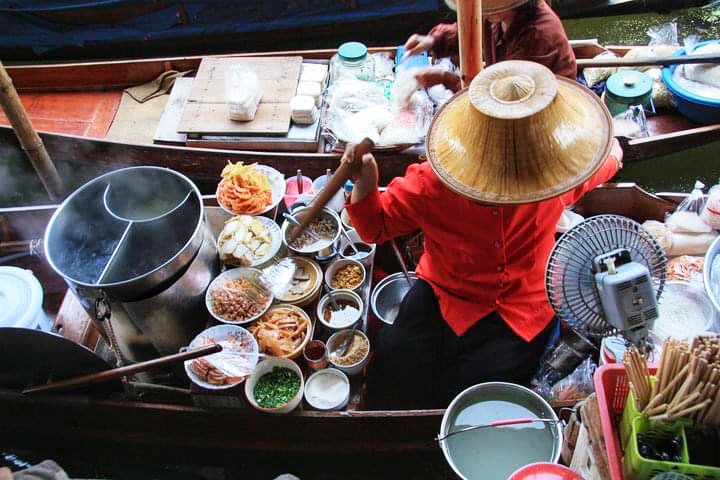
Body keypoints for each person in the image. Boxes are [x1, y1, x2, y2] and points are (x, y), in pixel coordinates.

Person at [343, 60, 622, 410]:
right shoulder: (434, 183)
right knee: (394, 363)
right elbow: (376, 228)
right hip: (445, 293)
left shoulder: (556, 178)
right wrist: (366, 179)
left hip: (524, 305)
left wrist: (367, 180)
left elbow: (373, 228)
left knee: (482, 391)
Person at [404, 0, 576, 92]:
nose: (484, 12)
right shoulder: (497, 16)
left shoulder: (538, 36)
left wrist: (444, 77)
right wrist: (433, 41)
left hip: (539, 114)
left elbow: (504, 98)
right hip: (508, 97)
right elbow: (468, 32)